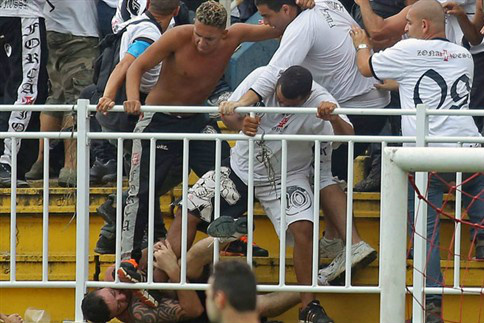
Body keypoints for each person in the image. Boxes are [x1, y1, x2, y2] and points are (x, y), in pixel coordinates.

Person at [166, 65, 357, 323]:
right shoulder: (262, 77)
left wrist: (332, 118)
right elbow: (229, 115)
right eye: (278, 97)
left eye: (288, 103)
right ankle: (165, 283)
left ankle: (309, 307)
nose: (280, 103)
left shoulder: (321, 100)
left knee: (304, 229)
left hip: (287, 177)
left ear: (305, 97)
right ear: (277, 83)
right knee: (188, 209)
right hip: (240, 168)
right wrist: (241, 123)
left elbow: (349, 137)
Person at [118, 0, 290, 268]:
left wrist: (305, 6)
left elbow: (280, 26)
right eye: (197, 34)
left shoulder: (237, 34)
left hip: (196, 120)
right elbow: (136, 67)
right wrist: (132, 99)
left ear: (224, 34)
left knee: (233, 173)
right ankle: (127, 257)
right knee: (142, 190)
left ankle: (229, 234)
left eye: (208, 38)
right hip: (158, 120)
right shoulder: (178, 35)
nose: (200, 42)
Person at [351, 0, 484, 321]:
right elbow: (429, 78)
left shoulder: (408, 49)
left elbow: (366, 67)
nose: (405, 28)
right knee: (479, 204)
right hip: (469, 150)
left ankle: (432, 305)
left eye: (409, 23)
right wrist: (401, 83)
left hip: (427, 153)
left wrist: (361, 42)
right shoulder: (463, 54)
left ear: (424, 26)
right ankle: (481, 239)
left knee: (425, 232)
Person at [82, 237, 300, 323]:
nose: (121, 296)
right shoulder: (140, 315)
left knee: (192, 258)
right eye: (118, 305)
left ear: (101, 287)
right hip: (204, 311)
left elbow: (147, 254)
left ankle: (230, 237)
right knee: (257, 306)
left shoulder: (114, 275)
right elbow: (194, 310)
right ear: (115, 316)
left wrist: (155, 251)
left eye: (113, 293)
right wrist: (172, 270)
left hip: (186, 282)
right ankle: (319, 284)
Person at [24, 0, 99, 187]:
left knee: (56, 96)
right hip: (80, 33)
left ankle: (42, 161)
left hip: (53, 29)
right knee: (77, 98)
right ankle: (71, 167)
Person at [0, 0, 48, 187]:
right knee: (26, 90)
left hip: (16, 15)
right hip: (21, 15)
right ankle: (5, 160)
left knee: (12, 90)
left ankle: (13, 163)